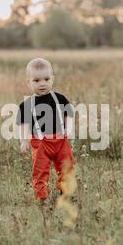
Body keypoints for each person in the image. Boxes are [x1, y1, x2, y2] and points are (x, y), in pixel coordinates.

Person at [16, 58, 75, 201]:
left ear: (52, 79)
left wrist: (69, 128)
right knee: (40, 171)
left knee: (66, 167)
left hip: (61, 140)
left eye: (46, 79)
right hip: (40, 143)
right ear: (28, 82)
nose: (42, 83)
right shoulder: (26, 105)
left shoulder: (60, 98)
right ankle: (42, 197)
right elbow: (22, 124)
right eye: (36, 81)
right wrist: (23, 140)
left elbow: (69, 113)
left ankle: (65, 192)